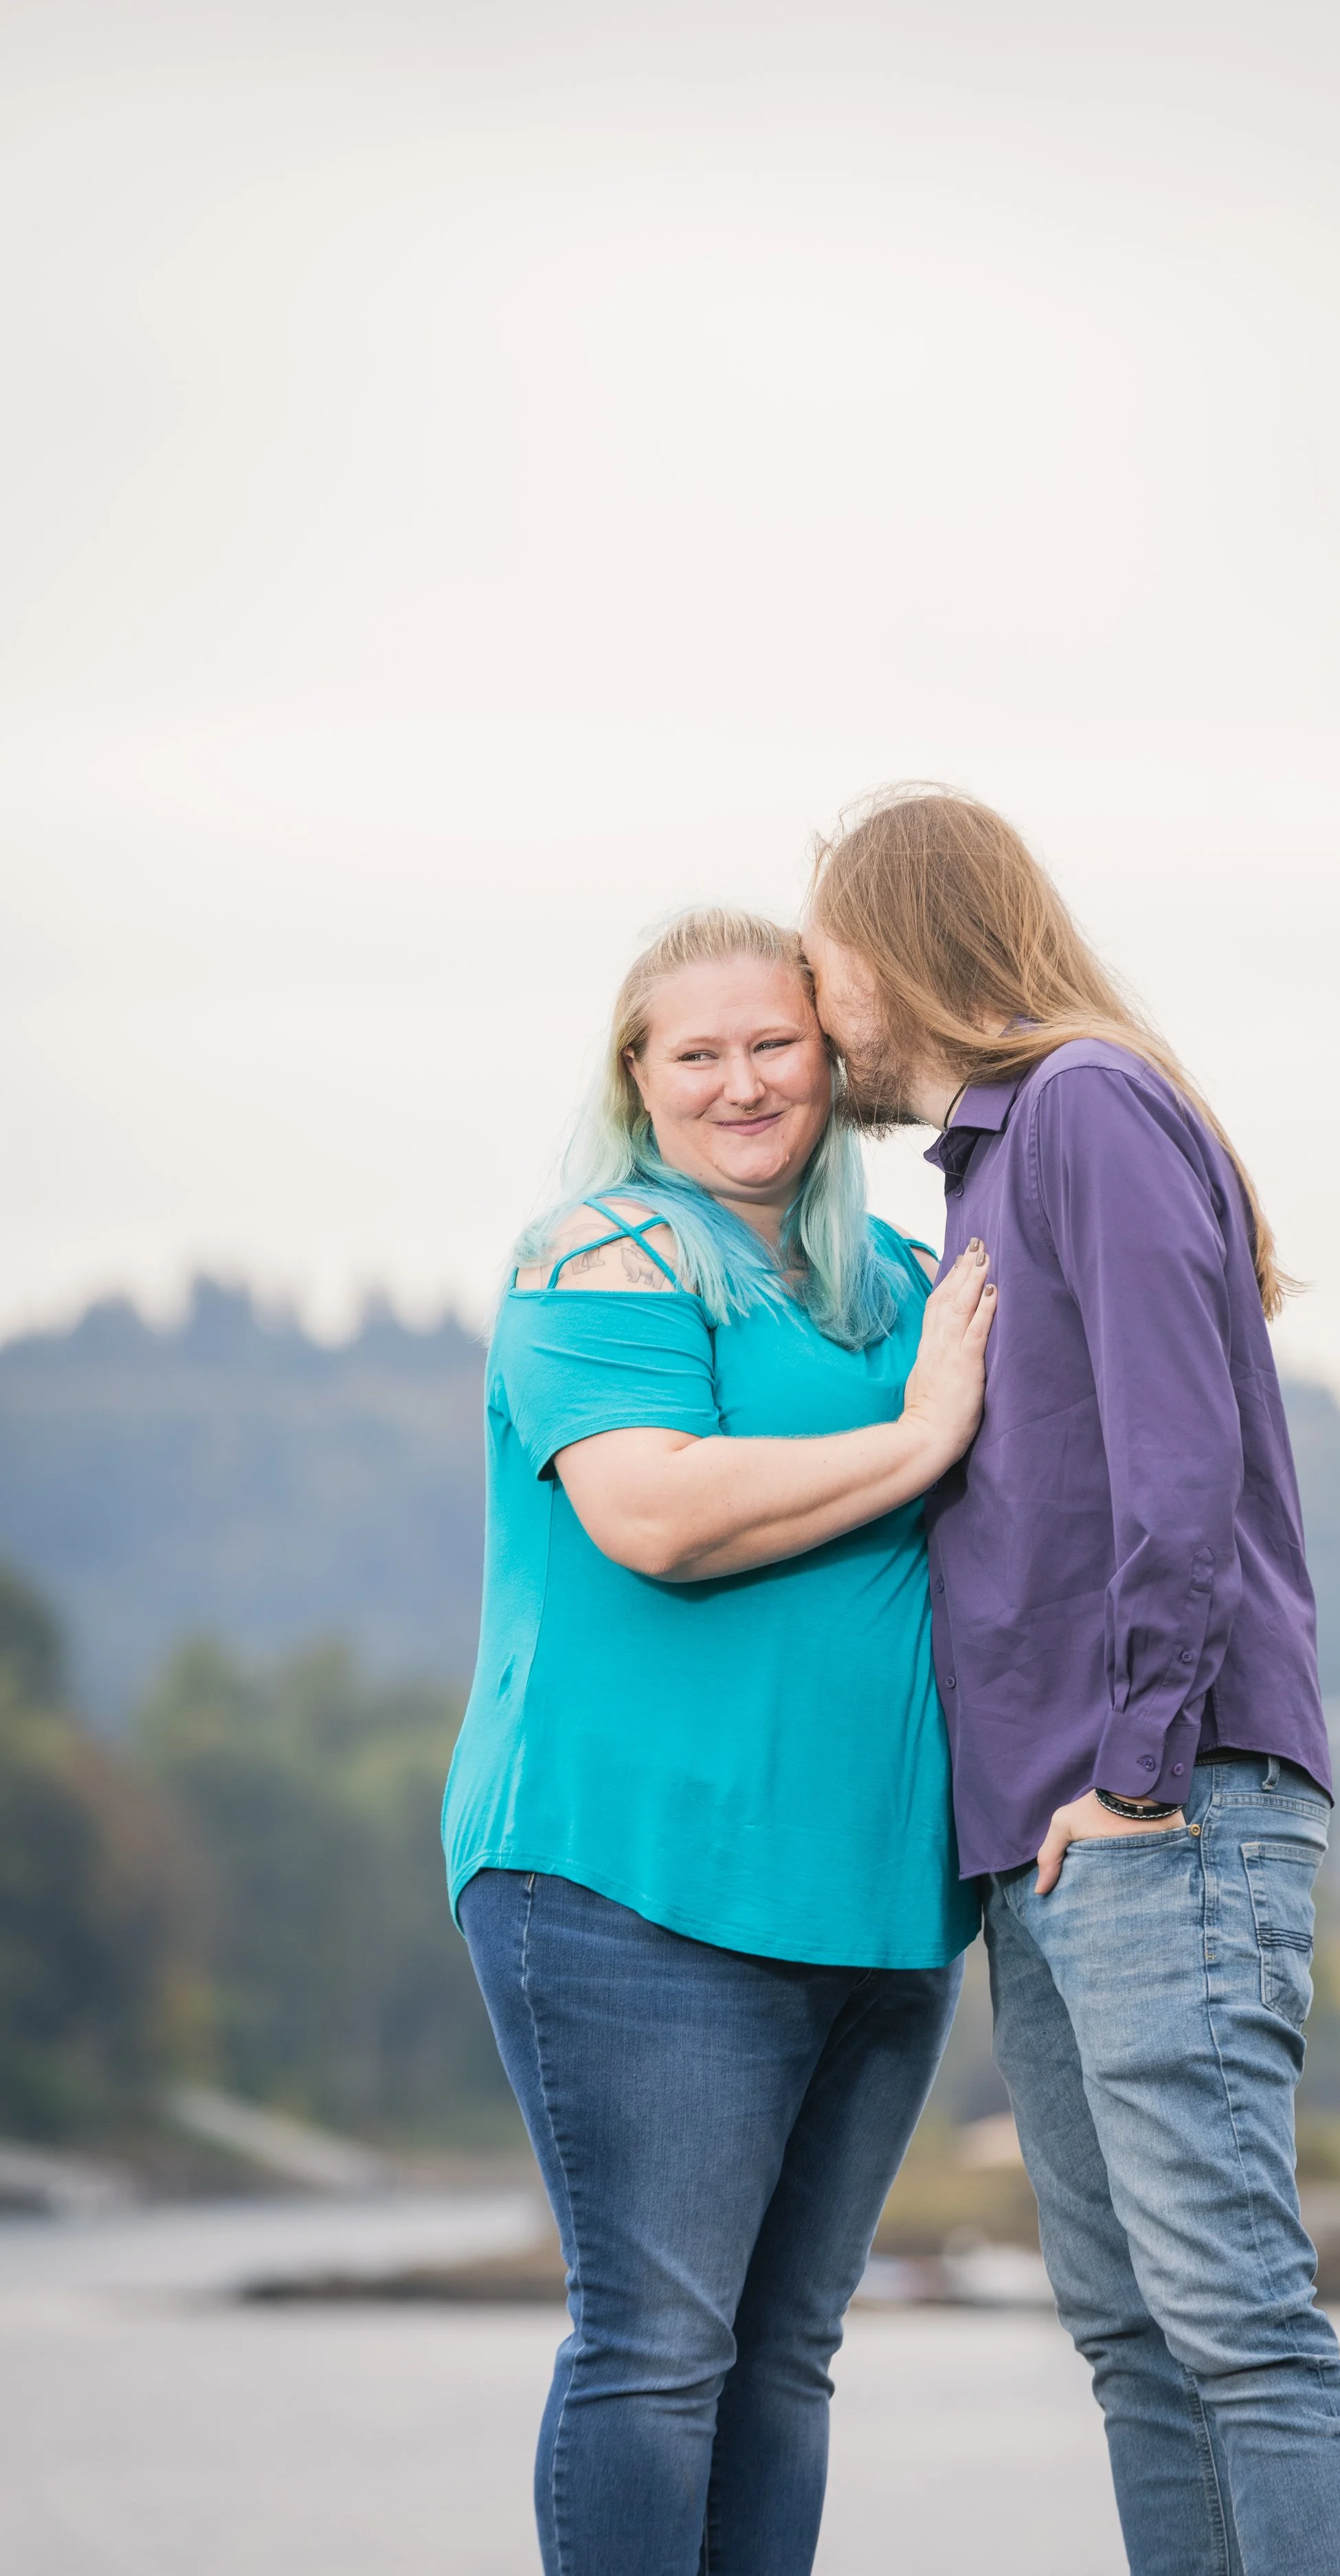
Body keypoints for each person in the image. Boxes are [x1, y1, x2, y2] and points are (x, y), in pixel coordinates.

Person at [803, 791, 1340, 2576]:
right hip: (1043, 1842)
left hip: (1155, 1802)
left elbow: (1180, 1458)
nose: (821, 1028)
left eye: (825, 976)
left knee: (1233, 2317)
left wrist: (1132, 1770)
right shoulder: (993, 1158)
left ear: (901, 949)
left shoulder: (1085, 1108)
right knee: (1134, 2335)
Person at [441, 906, 995, 2576]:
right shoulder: (597, 1256)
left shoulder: (898, 1282)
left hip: (875, 1900)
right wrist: (920, 1439)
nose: (742, 1081)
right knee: (658, 2350)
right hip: (634, 1879)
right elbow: (654, 1513)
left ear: (831, 1058)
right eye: (699, 1051)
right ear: (639, 1076)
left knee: (786, 2357)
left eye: (775, 1043)